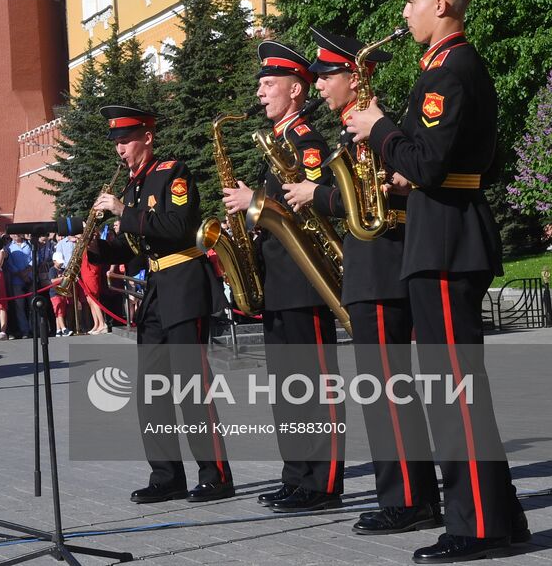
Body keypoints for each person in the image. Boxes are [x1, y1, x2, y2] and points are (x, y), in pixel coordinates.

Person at [343, 0, 528, 563]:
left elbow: (426, 160)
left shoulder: (448, 71)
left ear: (442, 3)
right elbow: (465, 163)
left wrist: (378, 129)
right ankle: (501, 517)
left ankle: (477, 528)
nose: (407, 10)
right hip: (446, 230)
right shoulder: (449, 67)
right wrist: (412, 174)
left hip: (445, 242)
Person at [289, 27, 443, 534]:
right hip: (367, 267)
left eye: (326, 75)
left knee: (387, 392)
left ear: (355, 77)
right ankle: (409, 496)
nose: (319, 85)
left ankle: (407, 501)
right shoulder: (348, 131)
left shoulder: (372, 126)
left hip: (380, 268)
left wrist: (319, 199)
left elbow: (384, 198)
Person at [222, 40, 346, 513]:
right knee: (288, 387)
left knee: (313, 383)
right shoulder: (277, 142)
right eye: (260, 84)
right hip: (279, 277)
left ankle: (324, 481)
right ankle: (297, 474)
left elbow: (311, 203)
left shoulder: (307, 142)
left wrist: (255, 200)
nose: (260, 92)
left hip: (305, 275)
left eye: (268, 83)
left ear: (296, 90)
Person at [89, 104, 233, 504]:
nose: (120, 149)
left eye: (126, 141)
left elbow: (177, 227)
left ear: (147, 137)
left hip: (184, 285)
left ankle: (216, 474)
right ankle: (166, 475)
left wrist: (122, 212)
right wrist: (96, 249)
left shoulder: (173, 173)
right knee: (152, 391)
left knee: (191, 387)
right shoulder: (134, 186)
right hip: (154, 290)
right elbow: (134, 246)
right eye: (116, 143)